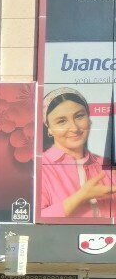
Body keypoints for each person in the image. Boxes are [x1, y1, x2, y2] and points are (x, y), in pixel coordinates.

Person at [39, 87, 114, 218]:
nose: (74, 128)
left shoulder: (107, 164)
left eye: (79, 116)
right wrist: (81, 196)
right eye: (61, 121)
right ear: (49, 129)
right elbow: (32, 218)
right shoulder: (39, 167)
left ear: (89, 119)